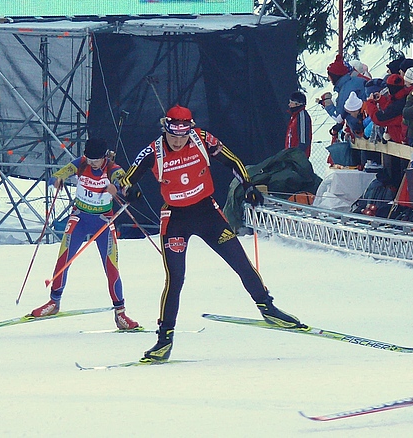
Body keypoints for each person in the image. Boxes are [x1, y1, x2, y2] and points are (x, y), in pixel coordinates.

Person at [120, 105, 302, 362]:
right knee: (175, 279)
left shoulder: (203, 140)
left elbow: (233, 161)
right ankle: (164, 340)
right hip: (175, 219)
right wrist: (130, 192)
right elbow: (126, 179)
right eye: (173, 134)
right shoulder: (153, 152)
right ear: (166, 128)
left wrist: (248, 185)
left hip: (208, 214)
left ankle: (268, 308)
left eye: (183, 134)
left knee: (240, 261)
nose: (178, 139)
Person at [31, 138, 140, 330]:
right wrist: (57, 180)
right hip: (80, 218)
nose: (92, 163)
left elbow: (127, 189)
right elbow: (59, 173)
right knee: (63, 258)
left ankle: (120, 314)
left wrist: (121, 191)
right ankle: (54, 302)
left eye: (95, 160)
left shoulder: (113, 169)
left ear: (104, 157)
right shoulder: (81, 163)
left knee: (111, 267)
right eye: (89, 159)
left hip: (103, 221)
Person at [285, 92, 313, 158]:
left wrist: (297, 155)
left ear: (297, 104)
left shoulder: (302, 116)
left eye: (291, 102)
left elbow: (303, 140)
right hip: (291, 156)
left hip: (297, 158)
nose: (289, 105)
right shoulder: (295, 116)